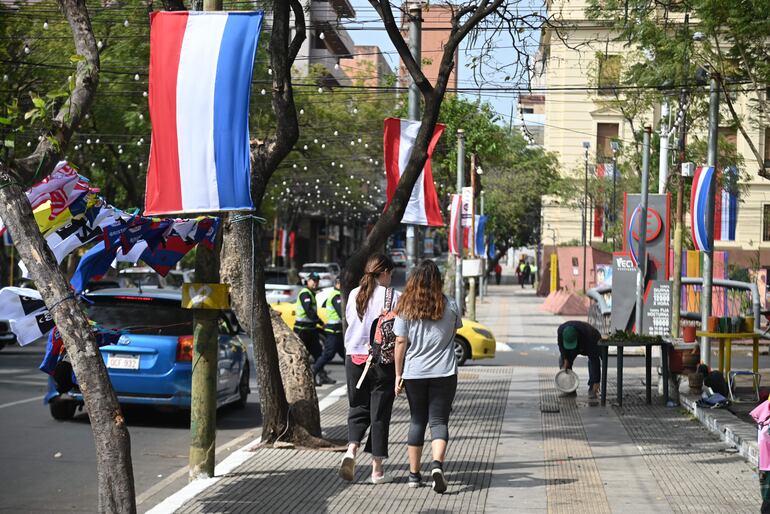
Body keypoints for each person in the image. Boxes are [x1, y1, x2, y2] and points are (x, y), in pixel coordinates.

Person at [393, 259, 462, 493]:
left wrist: (398, 374)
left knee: (417, 420)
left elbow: (400, 341)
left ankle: (414, 475)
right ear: (438, 280)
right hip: (445, 371)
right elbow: (454, 331)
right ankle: (437, 466)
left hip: (415, 373)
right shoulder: (450, 304)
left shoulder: (405, 307)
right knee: (439, 421)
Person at [338, 254, 399, 484]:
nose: (391, 278)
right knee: (379, 412)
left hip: (354, 358)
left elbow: (349, 322)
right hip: (382, 362)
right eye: (390, 274)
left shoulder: (354, 294)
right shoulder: (394, 297)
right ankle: (376, 470)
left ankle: (351, 449)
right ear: (383, 272)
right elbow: (400, 332)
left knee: (357, 407)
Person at [294, 272, 333, 385]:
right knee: (301, 356)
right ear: (308, 281)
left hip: (311, 330)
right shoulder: (305, 294)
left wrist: (319, 322)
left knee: (318, 354)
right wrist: (318, 321)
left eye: (317, 281)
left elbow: (312, 313)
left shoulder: (311, 293)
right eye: (313, 280)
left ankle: (320, 376)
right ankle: (299, 380)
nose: (315, 283)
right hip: (302, 331)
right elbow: (309, 311)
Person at [312, 277, 345, 386]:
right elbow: (341, 313)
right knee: (328, 354)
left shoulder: (337, 295)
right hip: (333, 331)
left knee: (346, 355)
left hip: (338, 331)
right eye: (342, 283)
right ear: (338, 283)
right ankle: (313, 371)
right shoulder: (336, 297)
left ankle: (356, 377)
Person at [557, 321, 603, 399]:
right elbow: (561, 346)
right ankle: (570, 389)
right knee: (562, 360)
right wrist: (565, 359)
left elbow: (594, 359)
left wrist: (596, 381)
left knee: (592, 361)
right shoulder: (561, 330)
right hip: (577, 342)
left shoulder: (590, 335)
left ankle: (593, 388)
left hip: (590, 341)